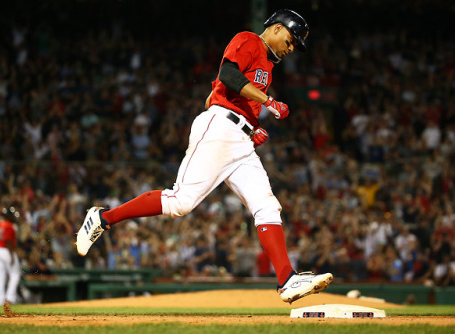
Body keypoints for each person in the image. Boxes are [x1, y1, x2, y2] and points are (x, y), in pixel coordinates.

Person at [77, 9, 333, 304]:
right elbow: (228, 74)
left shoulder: (267, 64)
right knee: (180, 202)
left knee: (266, 206)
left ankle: (287, 280)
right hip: (220, 128)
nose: (291, 49)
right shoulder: (248, 40)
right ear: (276, 28)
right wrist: (268, 101)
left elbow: (219, 93)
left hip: (238, 138)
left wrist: (252, 129)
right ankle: (103, 218)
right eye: (290, 40)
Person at [0, 207, 21, 306]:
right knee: (15, 274)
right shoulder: (9, 226)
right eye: (12, 216)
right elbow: (8, 241)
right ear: (8, 216)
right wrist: (11, 255)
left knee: (0, 277)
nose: (14, 217)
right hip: (6, 250)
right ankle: (10, 298)